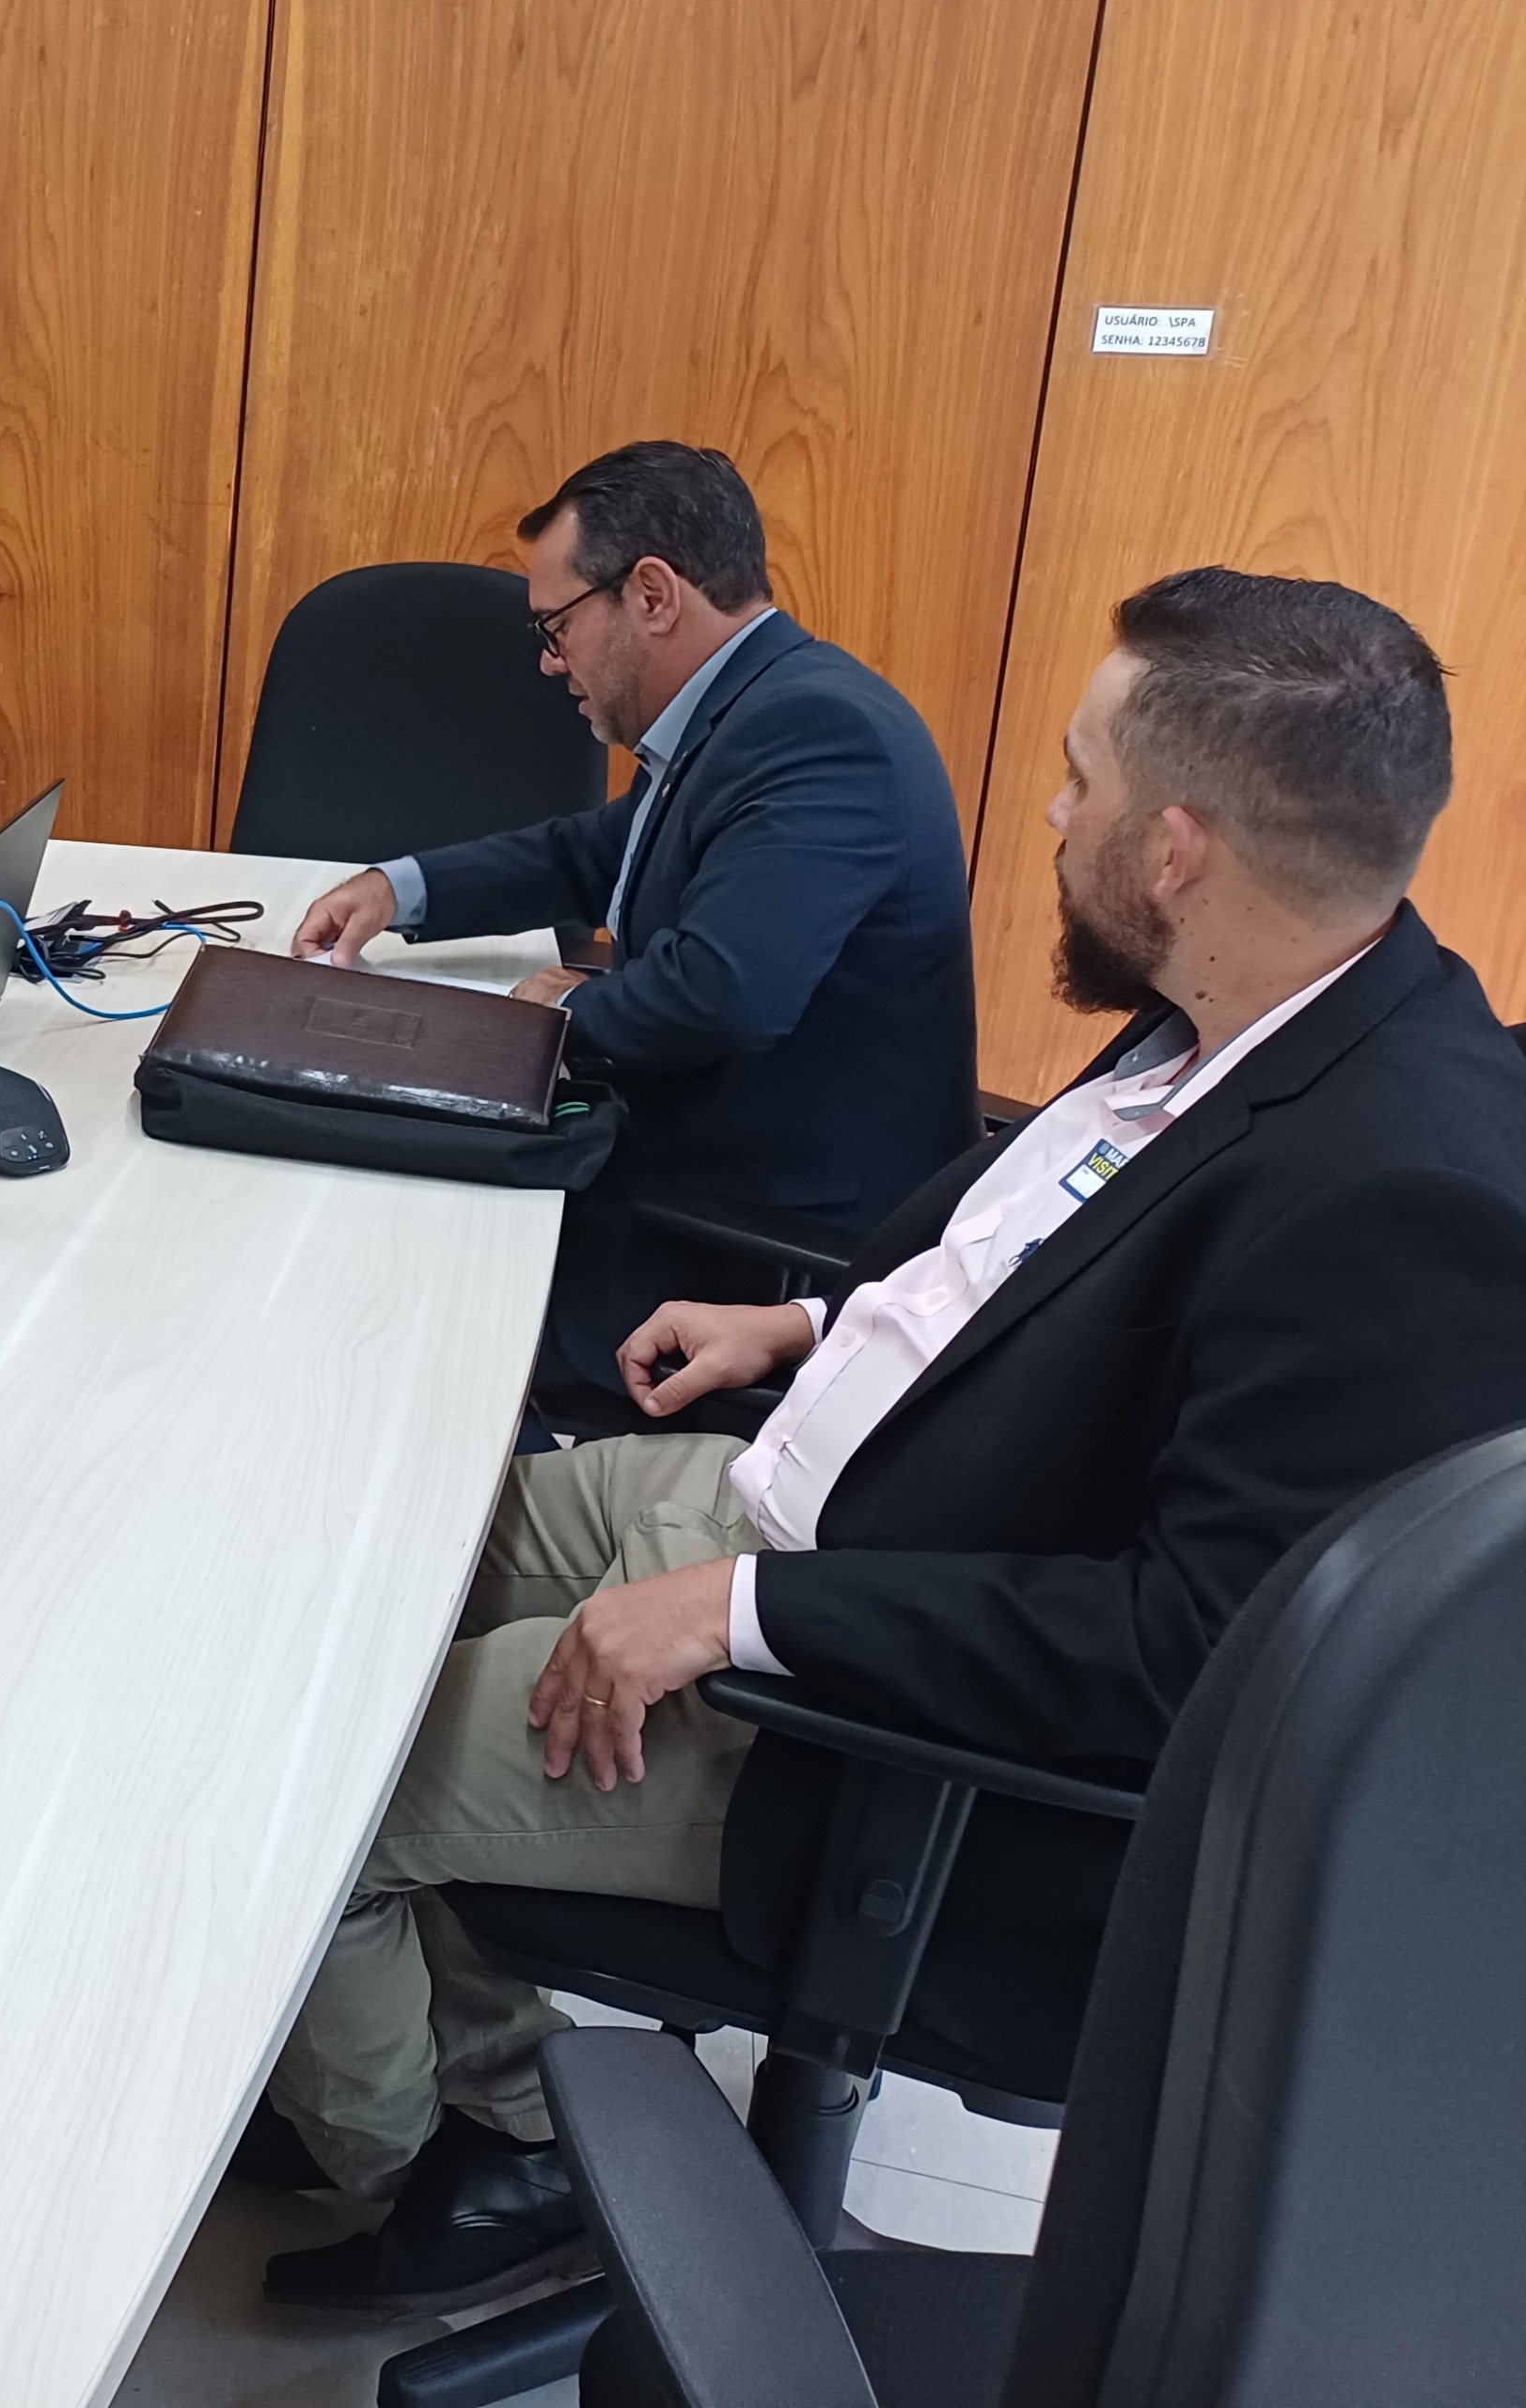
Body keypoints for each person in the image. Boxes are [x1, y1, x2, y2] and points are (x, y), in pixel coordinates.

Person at [252, 568, 1526, 2312]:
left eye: (1078, 779)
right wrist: (805, 1324)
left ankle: (458, 2164)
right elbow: (1035, 1270)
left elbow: (1189, 1657)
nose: (1051, 815)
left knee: (304, 1786)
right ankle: (450, 2055)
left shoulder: (1398, 1192)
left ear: (1174, 851)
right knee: (349, 1575)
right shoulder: (1260, 1004)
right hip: (791, 1494)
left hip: (866, 1720)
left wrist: (733, 1614)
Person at [289, 443, 976, 1418]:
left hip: (753, 1238)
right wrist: (398, 891)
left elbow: (723, 993)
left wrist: (560, 1012)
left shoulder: (820, 733)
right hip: (702, 1160)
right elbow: (594, 852)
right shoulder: (753, 707)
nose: (547, 658)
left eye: (557, 624)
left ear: (651, 595)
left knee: (382, 1299)